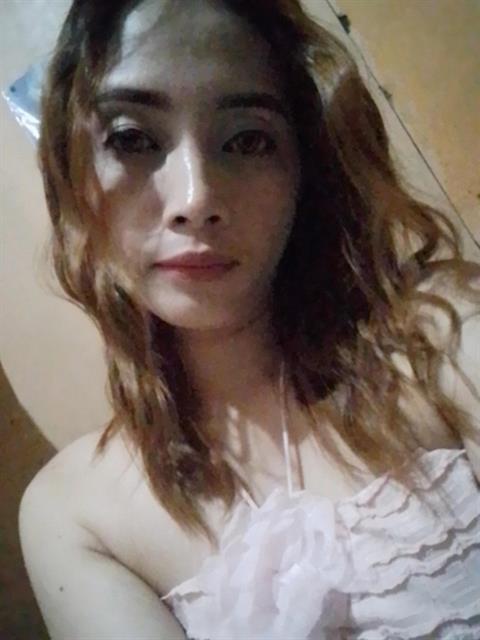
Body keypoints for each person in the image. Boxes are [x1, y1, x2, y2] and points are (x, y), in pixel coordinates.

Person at [18, 0, 480, 638]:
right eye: (131, 138)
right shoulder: (73, 514)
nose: (196, 198)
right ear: (74, 182)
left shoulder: (445, 336)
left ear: (301, 168)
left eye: (248, 139)